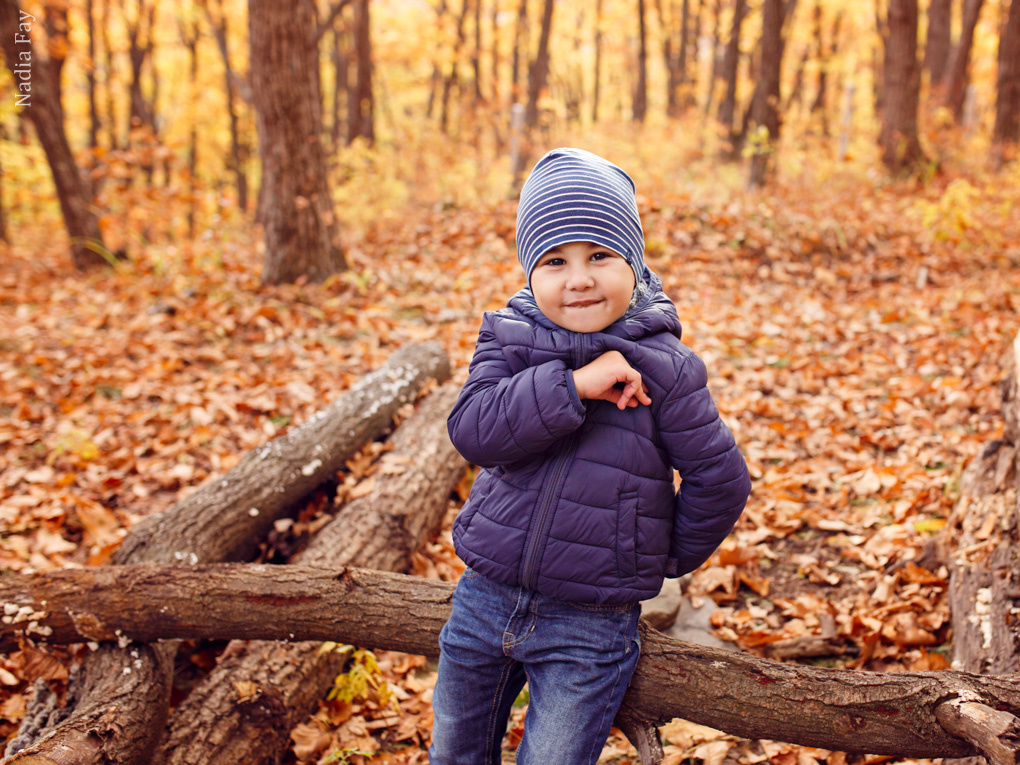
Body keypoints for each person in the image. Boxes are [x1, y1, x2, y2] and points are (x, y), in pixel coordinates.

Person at [429, 147, 751, 765]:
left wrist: (658, 555)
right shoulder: (509, 339)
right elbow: (473, 431)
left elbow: (720, 478)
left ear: (634, 262)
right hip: (484, 595)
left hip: (589, 622)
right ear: (530, 272)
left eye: (600, 255)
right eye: (555, 261)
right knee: (454, 752)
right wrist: (572, 385)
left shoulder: (666, 368)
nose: (578, 279)